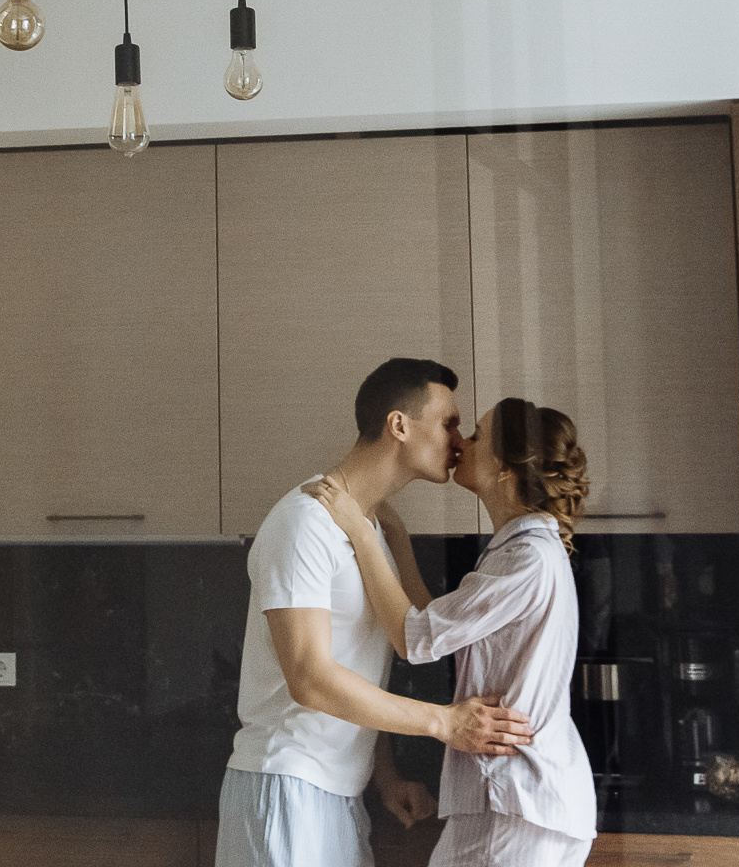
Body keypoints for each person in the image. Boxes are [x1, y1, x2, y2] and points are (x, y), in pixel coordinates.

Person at [220, 358, 536, 867]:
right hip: (285, 786)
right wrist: (444, 723)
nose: (459, 442)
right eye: (449, 423)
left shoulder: (370, 530)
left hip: (340, 791)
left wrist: (383, 777)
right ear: (399, 426)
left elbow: (370, 659)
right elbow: (310, 679)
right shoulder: (305, 523)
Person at [310, 397, 595, 867]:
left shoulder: (526, 559)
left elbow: (413, 638)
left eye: (478, 435)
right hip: (519, 805)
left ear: (506, 468)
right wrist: (396, 540)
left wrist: (359, 532)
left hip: (514, 804)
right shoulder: (523, 548)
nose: (461, 441)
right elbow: (435, 624)